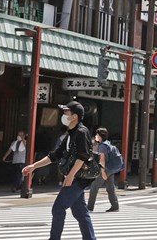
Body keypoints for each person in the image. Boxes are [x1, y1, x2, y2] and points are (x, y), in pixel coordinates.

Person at [21, 101, 97, 240]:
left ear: (74, 116)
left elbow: (83, 156)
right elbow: (55, 155)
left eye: (66, 112)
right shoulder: (71, 133)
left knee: (58, 208)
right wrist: (34, 166)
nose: (63, 115)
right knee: (80, 212)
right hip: (74, 177)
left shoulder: (81, 132)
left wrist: (71, 175)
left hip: (77, 178)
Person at [86, 128, 119, 213]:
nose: (95, 136)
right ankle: (115, 206)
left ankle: (89, 207)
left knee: (94, 187)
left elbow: (102, 159)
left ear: (100, 136)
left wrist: (103, 172)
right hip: (111, 168)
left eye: (97, 135)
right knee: (110, 187)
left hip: (105, 169)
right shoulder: (108, 143)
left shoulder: (102, 146)